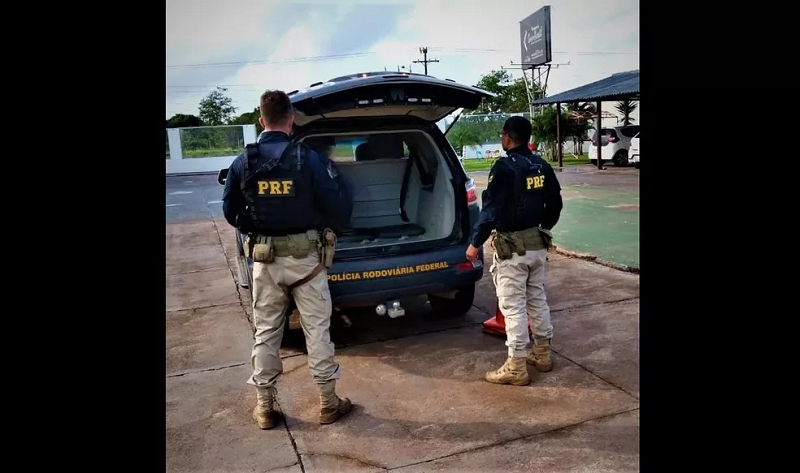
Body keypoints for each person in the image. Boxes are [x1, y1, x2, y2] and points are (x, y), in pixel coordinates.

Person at [222, 90, 352, 429]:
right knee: (317, 330)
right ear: (291, 120)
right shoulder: (307, 159)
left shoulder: (244, 161)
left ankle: (264, 407)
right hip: (306, 260)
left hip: (265, 260)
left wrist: (255, 226)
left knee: (266, 332)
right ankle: (328, 404)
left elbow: (230, 211)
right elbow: (334, 204)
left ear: (261, 120)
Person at [465, 116, 563, 386]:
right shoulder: (541, 165)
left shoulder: (504, 167)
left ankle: (516, 366)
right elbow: (555, 204)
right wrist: (541, 228)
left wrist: (475, 242)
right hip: (536, 244)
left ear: (507, 136)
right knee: (537, 299)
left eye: (502, 134)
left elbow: (491, 209)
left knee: (513, 306)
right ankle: (542, 354)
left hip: (512, 249)